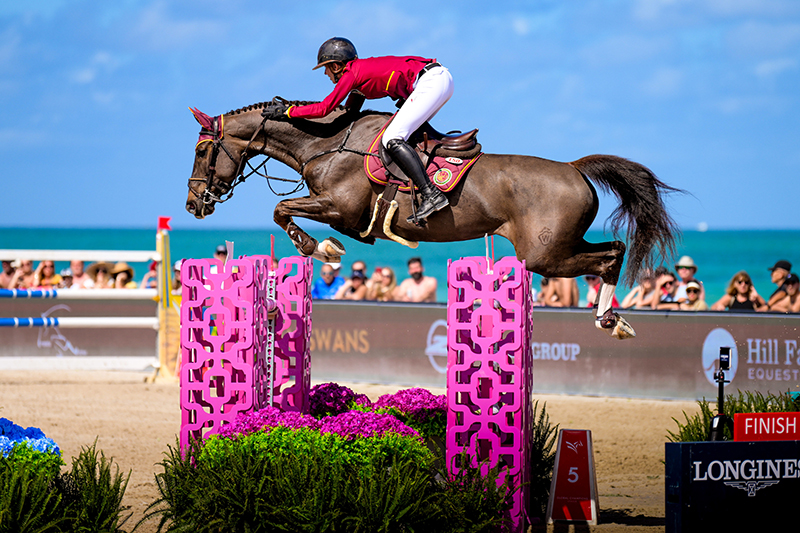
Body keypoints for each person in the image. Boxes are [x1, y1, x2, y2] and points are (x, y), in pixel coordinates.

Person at [263, 37, 453, 224]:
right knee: (405, 135)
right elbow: (349, 112)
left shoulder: (351, 74)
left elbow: (324, 108)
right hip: (438, 80)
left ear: (337, 66)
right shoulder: (359, 74)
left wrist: (289, 112)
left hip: (431, 83)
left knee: (392, 138)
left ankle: (431, 194)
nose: (325, 74)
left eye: (326, 68)